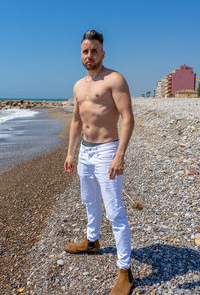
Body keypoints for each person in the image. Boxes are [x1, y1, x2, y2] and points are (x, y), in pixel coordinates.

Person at [64, 30, 134, 295]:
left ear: (102, 53)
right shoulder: (78, 85)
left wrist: (119, 155)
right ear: (81, 54)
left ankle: (125, 270)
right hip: (85, 151)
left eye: (94, 51)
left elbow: (128, 118)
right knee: (89, 200)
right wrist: (71, 153)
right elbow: (76, 121)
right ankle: (92, 241)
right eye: (85, 51)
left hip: (107, 151)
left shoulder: (114, 80)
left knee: (115, 211)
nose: (89, 55)